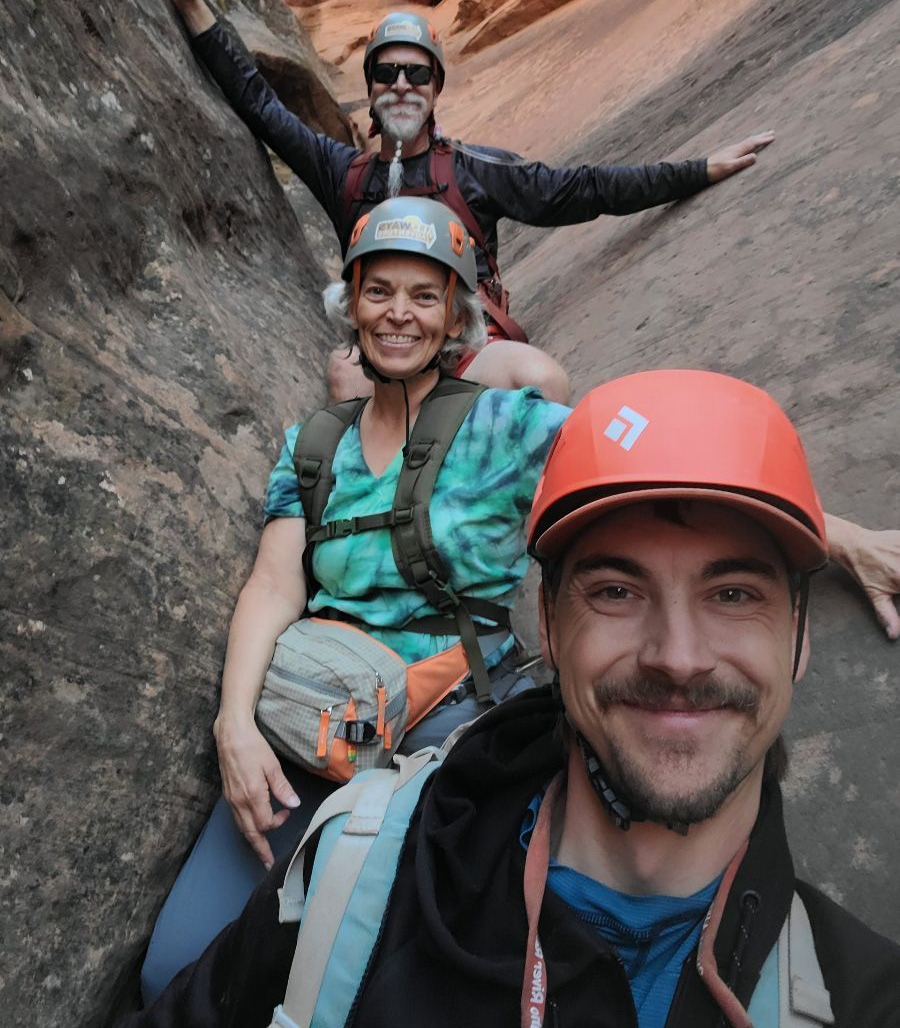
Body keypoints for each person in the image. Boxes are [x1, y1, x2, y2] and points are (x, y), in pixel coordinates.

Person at [123, 370, 900, 1028]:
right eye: (617, 590)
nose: (679, 658)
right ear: (552, 630)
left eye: (734, 593)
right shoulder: (360, 875)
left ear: (800, 638)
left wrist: (847, 537)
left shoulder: (863, 992)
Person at [138, 197, 572, 1003]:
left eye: (424, 294)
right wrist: (235, 725)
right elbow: (274, 583)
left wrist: (830, 535)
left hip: (449, 721)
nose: (398, 315)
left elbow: (644, 479)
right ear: (352, 304)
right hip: (320, 714)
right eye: (380, 292)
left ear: (456, 315)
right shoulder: (314, 442)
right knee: (175, 965)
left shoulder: (509, 427)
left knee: (378, 967)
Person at [140, 0, 775, 405]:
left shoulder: (475, 171)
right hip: (385, 350)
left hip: (468, 347)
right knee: (345, 383)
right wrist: (195, 8)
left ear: (436, 89)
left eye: (417, 73)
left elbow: (582, 191)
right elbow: (261, 106)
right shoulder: (343, 173)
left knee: (541, 381)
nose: (401, 85)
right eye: (385, 73)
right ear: (372, 87)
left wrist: (696, 169)